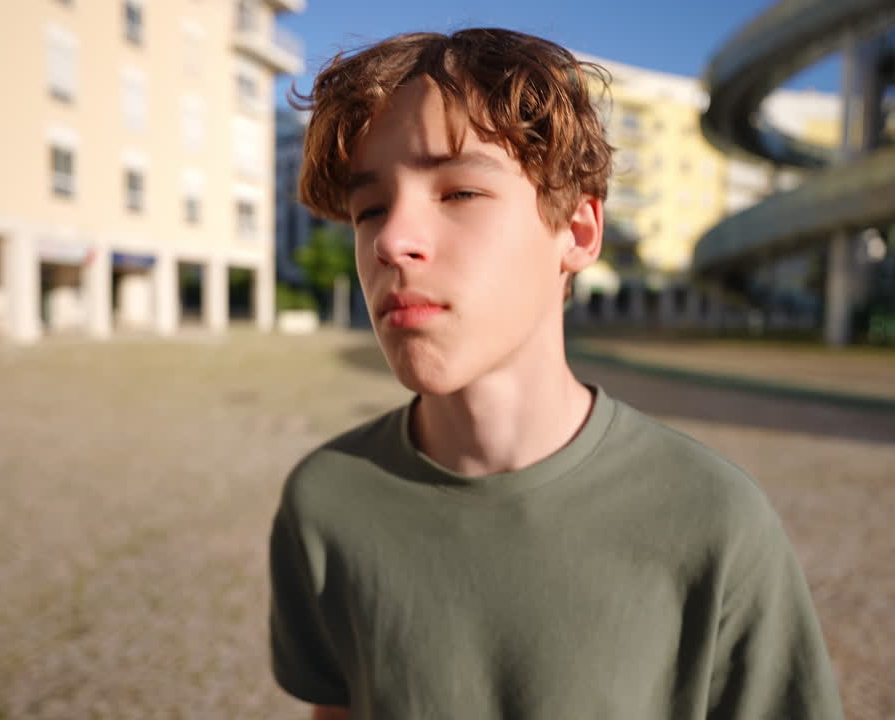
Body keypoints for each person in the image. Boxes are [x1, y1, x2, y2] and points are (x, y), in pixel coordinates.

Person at [268, 28, 843, 720]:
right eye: (370, 209)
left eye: (458, 193)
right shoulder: (326, 502)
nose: (391, 241)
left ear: (577, 231)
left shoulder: (714, 525)